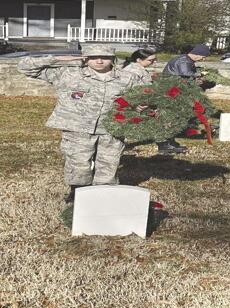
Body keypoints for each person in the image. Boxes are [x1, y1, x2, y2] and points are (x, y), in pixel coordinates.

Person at [18, 43, 145, 203]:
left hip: (112, 129)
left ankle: (103, 195)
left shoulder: (127, 78)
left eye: (105, 57)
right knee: (78, 163)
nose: (99, 61)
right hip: (77, 128)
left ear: (113, 59)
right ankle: (77, 193)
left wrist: (141, 107)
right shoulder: (68, 73)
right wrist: (57, 59)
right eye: (93, 57)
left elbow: (142, 98)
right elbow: (25, 67)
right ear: (84, 58)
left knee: (109, 163)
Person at [157, 44, 211, 155]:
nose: (203, 59)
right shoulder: (183, 61)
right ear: (197, 54)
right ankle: (164, 144)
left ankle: (169, 142)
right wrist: (201, 74)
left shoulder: (186, 60)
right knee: (169, 118)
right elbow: (186, 74)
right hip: (171, 93)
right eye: (203, 56)